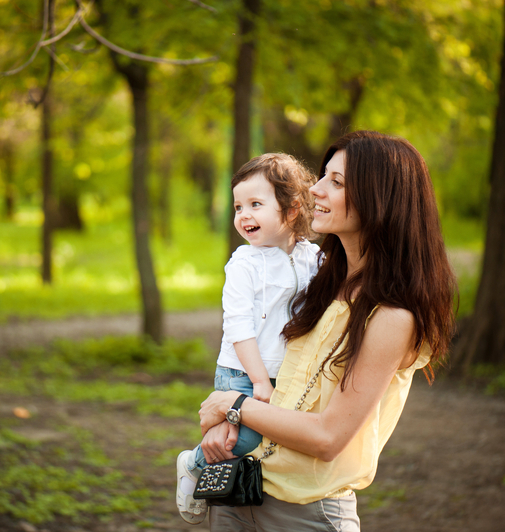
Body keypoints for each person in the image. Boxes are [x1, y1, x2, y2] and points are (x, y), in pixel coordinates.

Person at [197, 131, 457, 531]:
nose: (314, 190)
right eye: (323, 176)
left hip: (305, 511)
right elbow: (278, 380)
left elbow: (327, 438)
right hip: (240, 488)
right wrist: (232, 421)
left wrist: (232, 404)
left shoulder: (391, 316)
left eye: (335, 182)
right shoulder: (317, 281)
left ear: (379, 199)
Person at [176, 153, 321, 525]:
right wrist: (257, 380)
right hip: (242, 370)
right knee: (242, 442)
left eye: (256, 204)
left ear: (291, 210)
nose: (244, 215)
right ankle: (192, 465)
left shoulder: (314, 257)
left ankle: (244, 501)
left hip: (282, 372)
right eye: (239, 206)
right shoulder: (244, 263)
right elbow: (239, 327)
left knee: (267, 441)